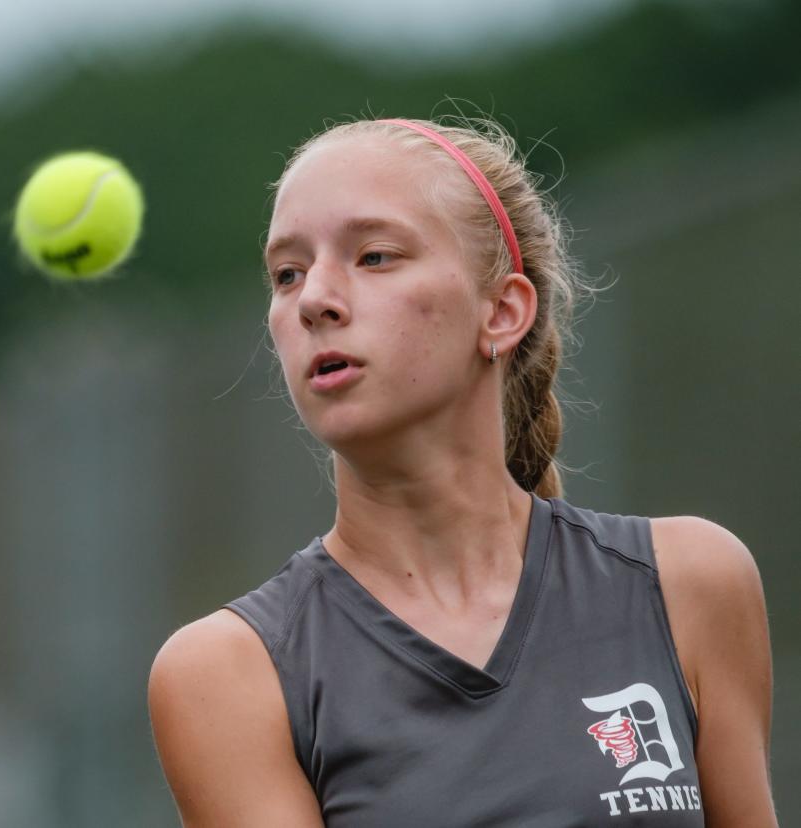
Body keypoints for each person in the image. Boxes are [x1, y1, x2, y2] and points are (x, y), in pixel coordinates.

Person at [147, 116, 777, 826]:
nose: (314, 299)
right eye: (286, 273)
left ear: (502, 312)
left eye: (375, 256)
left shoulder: (690, 583)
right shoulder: (229, 674)